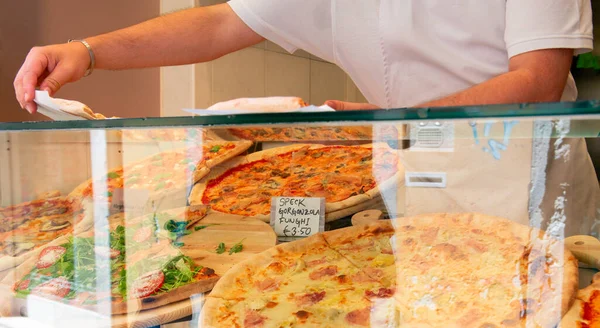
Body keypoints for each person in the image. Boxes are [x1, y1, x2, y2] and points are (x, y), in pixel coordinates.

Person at [13, 0, 600, 235]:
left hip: (529, 183)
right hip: (410, 181)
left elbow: (538, 80)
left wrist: (384, 119)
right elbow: (221, 24)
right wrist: (88, 52)